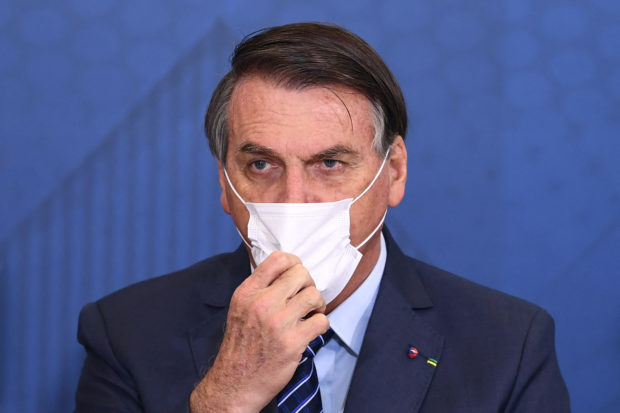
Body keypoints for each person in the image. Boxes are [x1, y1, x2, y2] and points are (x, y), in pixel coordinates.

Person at [75, 23, 570, 412]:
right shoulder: (126, 333)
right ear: (224, 183)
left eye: (329, 163)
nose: (295, 199)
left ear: (394, 172)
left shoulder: (508, 346)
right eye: (261, 165)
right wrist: (223, 400)